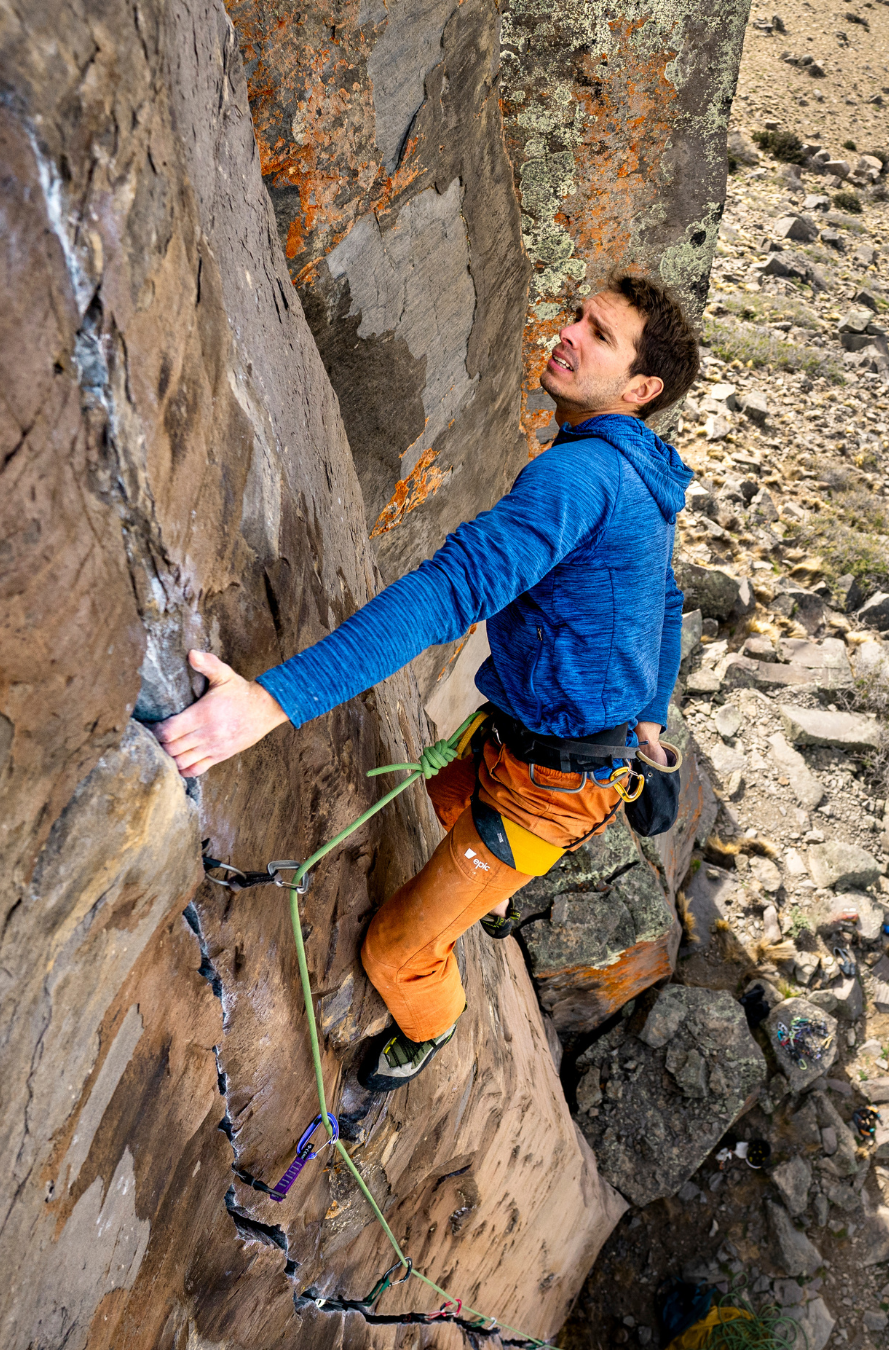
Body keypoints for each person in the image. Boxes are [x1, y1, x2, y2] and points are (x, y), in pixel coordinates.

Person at [154, 274, 699, 1090]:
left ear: (640, 387)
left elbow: (452, 591)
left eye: (600, 334)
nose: (569, 331)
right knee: (441, 818)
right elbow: (665, 597)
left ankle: (432, 1032)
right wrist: (651, 714)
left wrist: (272, 701)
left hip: (551, 786)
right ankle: (485, 888)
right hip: (522, 742)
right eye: (579, 314)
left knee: (396, 951)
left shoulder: (584, 479)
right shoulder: (642, 473)